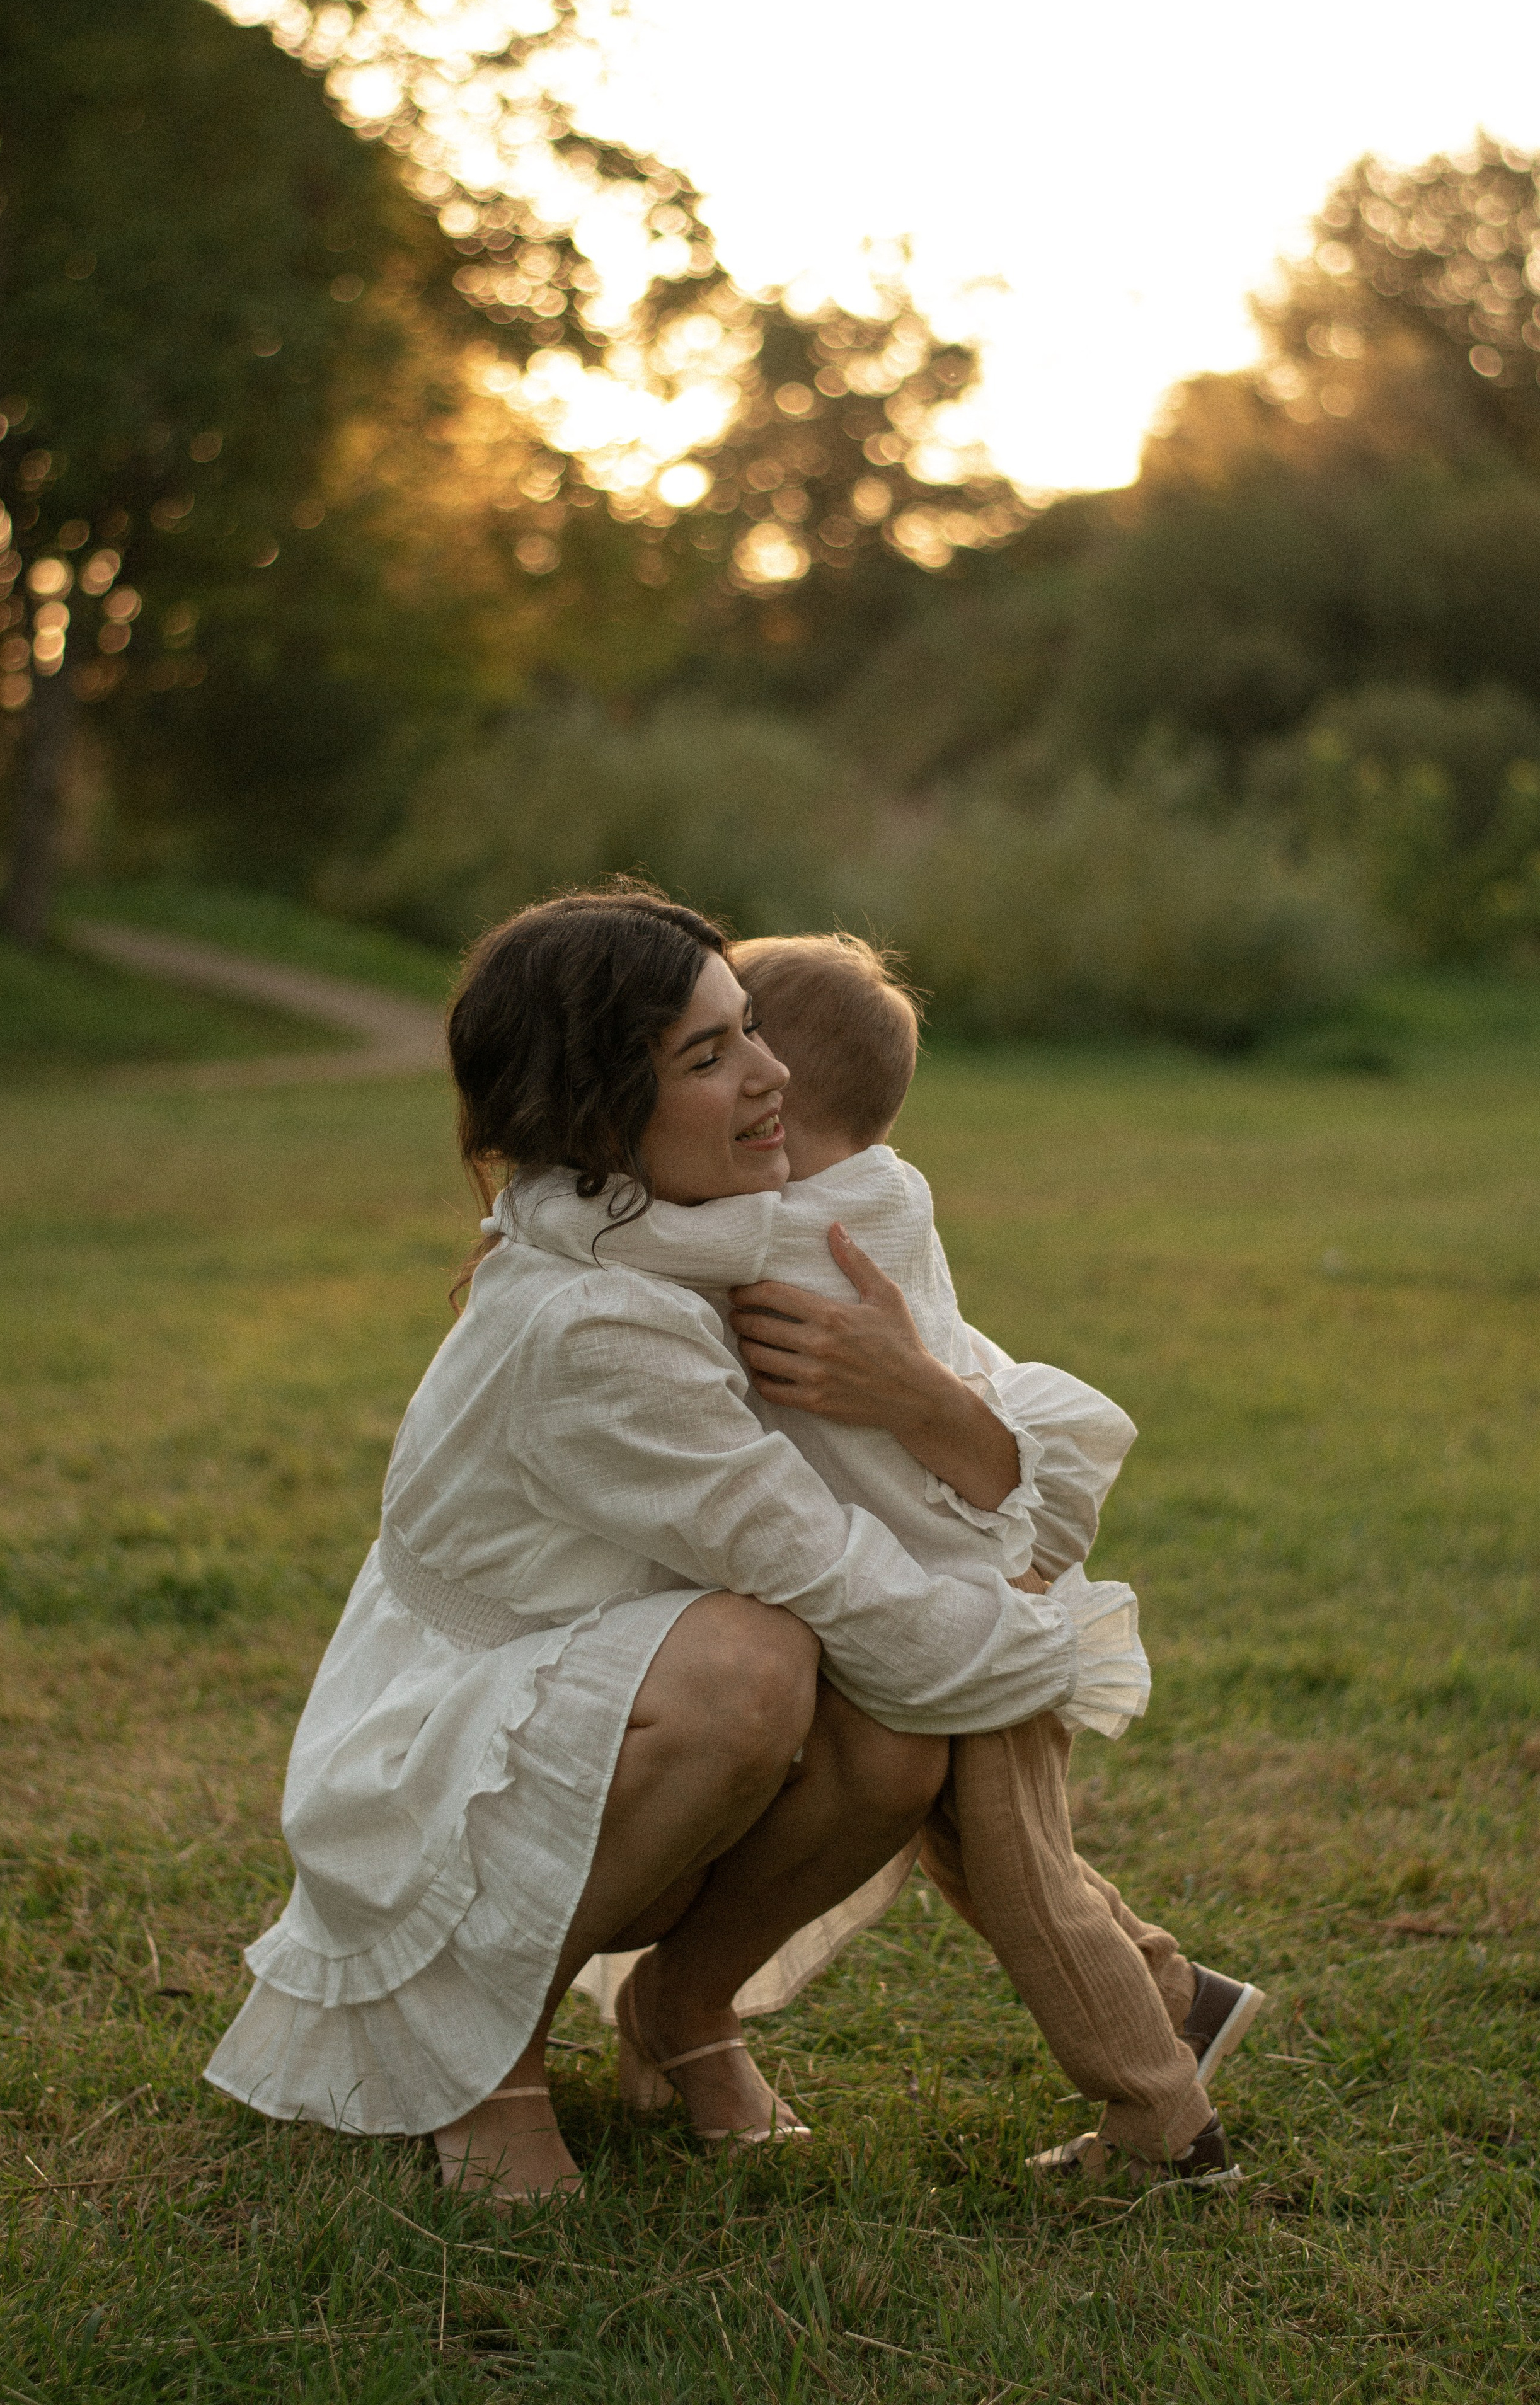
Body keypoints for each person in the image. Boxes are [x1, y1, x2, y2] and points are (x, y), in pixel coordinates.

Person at [205, 887, 1145, 2204]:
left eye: (749, 1029)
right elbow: (811, 1560)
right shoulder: (590, 1320)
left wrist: (925, 1400)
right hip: (462, 1721)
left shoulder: (751, 1228)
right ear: (596, 1114)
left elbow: (1010, 1438)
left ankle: (684, 2008)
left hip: (638, 1669)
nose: (769, 1078)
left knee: (892, 1737)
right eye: (708, 1058)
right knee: (759, 1663)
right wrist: (1041, 1649)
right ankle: (485, 2056)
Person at [524, 932, 1265, 2187]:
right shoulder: (875, 1192)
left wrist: (534, 1197)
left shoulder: (799, 1229)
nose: (730, 1072)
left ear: (777, 1104)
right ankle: (1178, 2001)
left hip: (969, 1619)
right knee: (990, 1849)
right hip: (958, 1597)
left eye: (739, 1047)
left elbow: (630, 1242)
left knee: (1023, 1882)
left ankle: (1161, 2122)